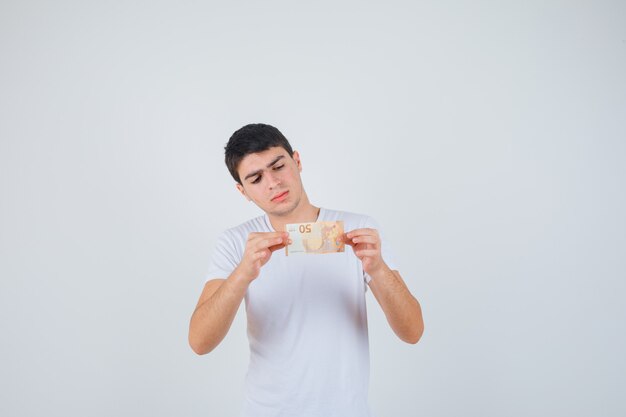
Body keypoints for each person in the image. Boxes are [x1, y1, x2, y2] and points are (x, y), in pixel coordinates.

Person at [188, 123, 424, 417]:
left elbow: (413, 331)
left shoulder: (359, 229)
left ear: (296, 161)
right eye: (256, 178)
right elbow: (199, 342)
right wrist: (243, 272)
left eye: (278, 166)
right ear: (243, 191)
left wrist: (378, 269)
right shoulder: (236, 242)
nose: (273, 183)